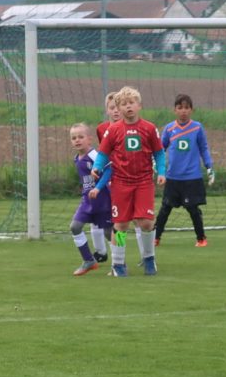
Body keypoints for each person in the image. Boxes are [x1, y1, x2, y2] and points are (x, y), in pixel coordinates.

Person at [91, 86, 166, 277]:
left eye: (131, 103)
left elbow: (159, 153)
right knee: (121, 225)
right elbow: (103, 153)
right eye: (123, 104)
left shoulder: (149, 128)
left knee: (146, 222)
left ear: (139, 105)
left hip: (143, 182)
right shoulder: (113, 130)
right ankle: (118, 264)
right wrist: (97, 167)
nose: (128, 107)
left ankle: (149, 258)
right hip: (121, 183)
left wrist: (162, 172)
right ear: (119, 108)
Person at [154, 93, 215, 247]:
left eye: (186, 108)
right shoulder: (169, 128)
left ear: (191, 110)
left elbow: (204, 148)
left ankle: (201, 239)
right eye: (180, 107)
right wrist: (156, 164)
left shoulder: (197, 127)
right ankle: (155, 238)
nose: (183, 111)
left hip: (191, 178)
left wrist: (209, 167)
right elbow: (161, 149)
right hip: (173, 177)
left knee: (193, 209)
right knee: (165, 208)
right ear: (174, 110)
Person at [68, 122, 113, 276]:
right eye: (74, 138)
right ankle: (89, 260)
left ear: (89, 139)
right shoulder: (77, 158)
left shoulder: (95, 155)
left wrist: (98, 187)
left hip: (104, 199)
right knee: (75, 227)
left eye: (81, 137)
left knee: (112, 232)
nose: (77, 140)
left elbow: (109, 170)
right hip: (87, 201)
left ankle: (119, 262)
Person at [88, 92, 122, 264]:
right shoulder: (102, 129)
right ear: (107, 110)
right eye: (112, 108)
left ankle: (146, 255)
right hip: (107, 180)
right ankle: (104, 253)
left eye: (118, 107)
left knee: (126, 223)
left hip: (127, 180)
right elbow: (105, 156)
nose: (116, 111)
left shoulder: (132, 129)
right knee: (101, 219)